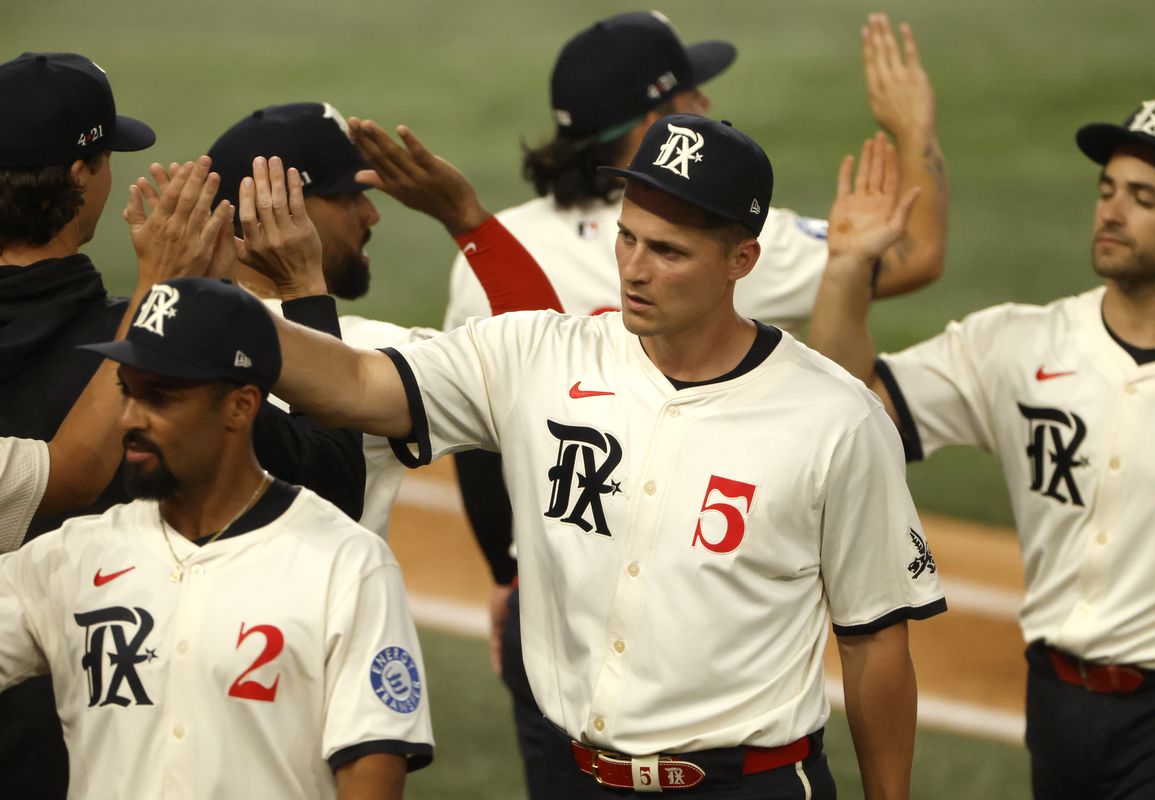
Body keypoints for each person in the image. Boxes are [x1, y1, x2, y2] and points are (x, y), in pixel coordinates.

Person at [256, 113, 946, 799]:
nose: (635, 271)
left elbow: (875, 640)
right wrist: (222, 313)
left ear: (742, 261)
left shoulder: (836, 418)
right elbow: (352, 386)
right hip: (578, 780)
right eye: (626, 239)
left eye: (668, 252)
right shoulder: (539, 356)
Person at [441, 12, 951, 794]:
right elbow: (913, 253)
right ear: (658, 122)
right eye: (690, 91)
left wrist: (508, 576)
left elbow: (481, 439)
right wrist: (913, 128)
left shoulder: (494, 254)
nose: (706, 101)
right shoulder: (728, 237)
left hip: (554, 607)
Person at [806, 100, 1155, 798]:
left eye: (1143, 199)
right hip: (1055, 704)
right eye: (1107, 190)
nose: (1112, 211)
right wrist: (846, 271)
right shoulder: (1020, 345)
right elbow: (852, 402)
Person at [0, 51, 364, 799]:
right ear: (82, 178)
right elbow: (332, 482)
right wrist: (291, 290)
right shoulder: (150, 370)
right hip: (105, 750)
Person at [0, 273, 434, 800]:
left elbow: (372, 774)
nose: (129, 419)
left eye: (161, 397)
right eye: (127, 392)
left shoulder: (346, 565)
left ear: (241, 406)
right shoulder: (68, 559)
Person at [206, 102, 561, 538]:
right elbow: (543, 367)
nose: (371, 214)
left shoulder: (161, 328)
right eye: (348, 196)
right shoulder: (365, 352)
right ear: (274, 210)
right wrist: (466, 218)